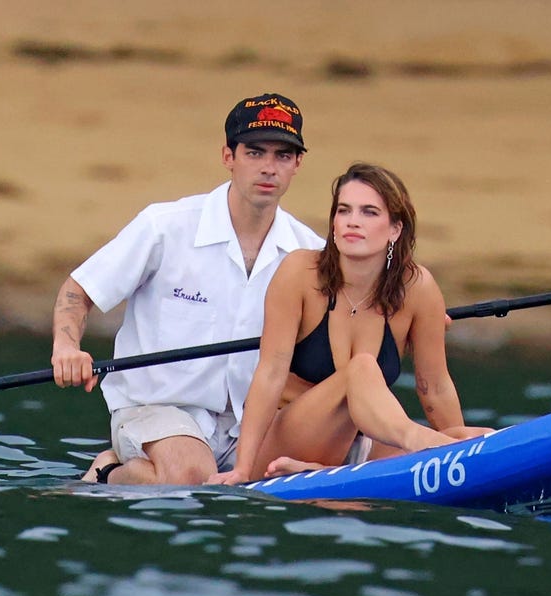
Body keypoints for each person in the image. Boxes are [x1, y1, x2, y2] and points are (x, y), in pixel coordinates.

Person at [51, 92, 325, 485]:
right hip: (153, 411)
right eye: (255, 152)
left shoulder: (311, 252)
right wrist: (66, 347)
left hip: (251, 425)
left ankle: (120, 468)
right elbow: (79, 290)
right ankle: (113, 474)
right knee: (193, 475)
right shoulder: (165, 225)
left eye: (283, 155)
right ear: (228, 157)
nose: (268, 168)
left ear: (298, 164)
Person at [207, 163, 491, 485]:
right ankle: (416, 443)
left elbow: (435, 388)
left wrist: (462, 466)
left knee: (475, 434)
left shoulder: (418, 288)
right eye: (344, 211)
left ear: (395, 229)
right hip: (284, 441)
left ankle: (320, 471)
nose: (353, 221)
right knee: (362, 369)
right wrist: (243, 469)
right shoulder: (299, 273)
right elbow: (269, 375)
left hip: (363, 443)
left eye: (369, 212)